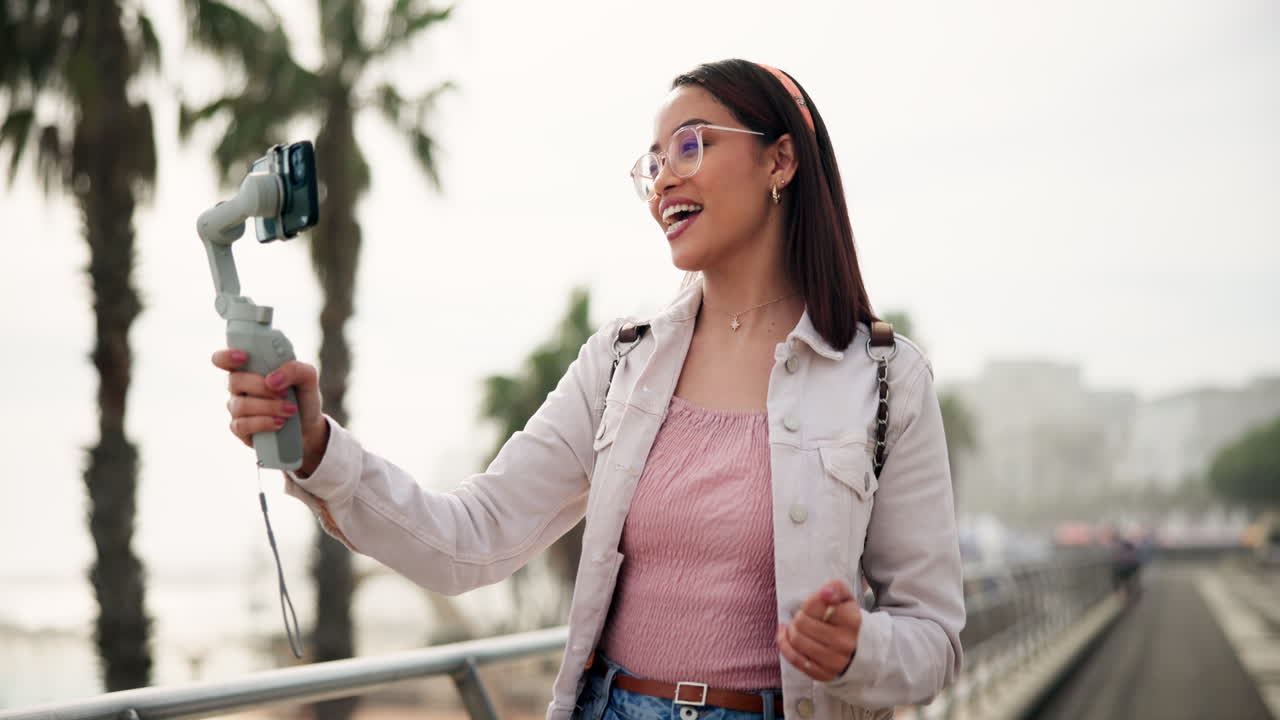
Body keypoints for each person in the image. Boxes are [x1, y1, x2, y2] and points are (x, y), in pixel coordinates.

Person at [213, 59, 964, 720]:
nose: (664, 177)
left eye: (692, 144)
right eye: (653, 162)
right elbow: (467, 540)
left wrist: (857, 649)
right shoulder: (617, 364)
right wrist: (316, 449)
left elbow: (933, 641)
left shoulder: (888, 381)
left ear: (781, 161)